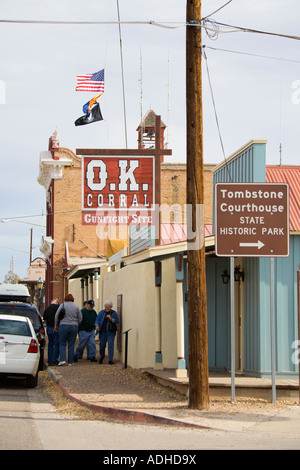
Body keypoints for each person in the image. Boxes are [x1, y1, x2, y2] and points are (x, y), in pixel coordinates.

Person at [54, 294, 82, 366]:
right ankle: (70, 361)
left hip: (63, 325)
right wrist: (77, 323)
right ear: (73, 299)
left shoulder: (62, 305)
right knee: (71, 344)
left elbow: (57, 315)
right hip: (74, 326)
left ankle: (63, 360)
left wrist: (56, 324)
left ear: (65, 299)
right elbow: (80, 317)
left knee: (62, 343)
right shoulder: (76, 307)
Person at [95, 300, 119, 364]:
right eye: (106, 307)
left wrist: (111, 318)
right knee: (102, 346)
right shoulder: (101, 312)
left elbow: (117, 321)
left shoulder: (113, 313)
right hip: (103, 332)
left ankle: (110, 360)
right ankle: (101, 357)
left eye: (108, 307)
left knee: (110, 346)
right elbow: (97, 319)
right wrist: (97, 325)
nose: (107, 308)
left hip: (111, 332)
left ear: (111, 307)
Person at [43, 298, 60, 366]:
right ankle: (54, 360)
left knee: (50, 344)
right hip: (56, 327)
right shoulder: (58, 308)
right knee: (56, 344)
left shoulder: (47, 309)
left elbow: (45, 319)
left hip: (49, 327)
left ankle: (50, 360)